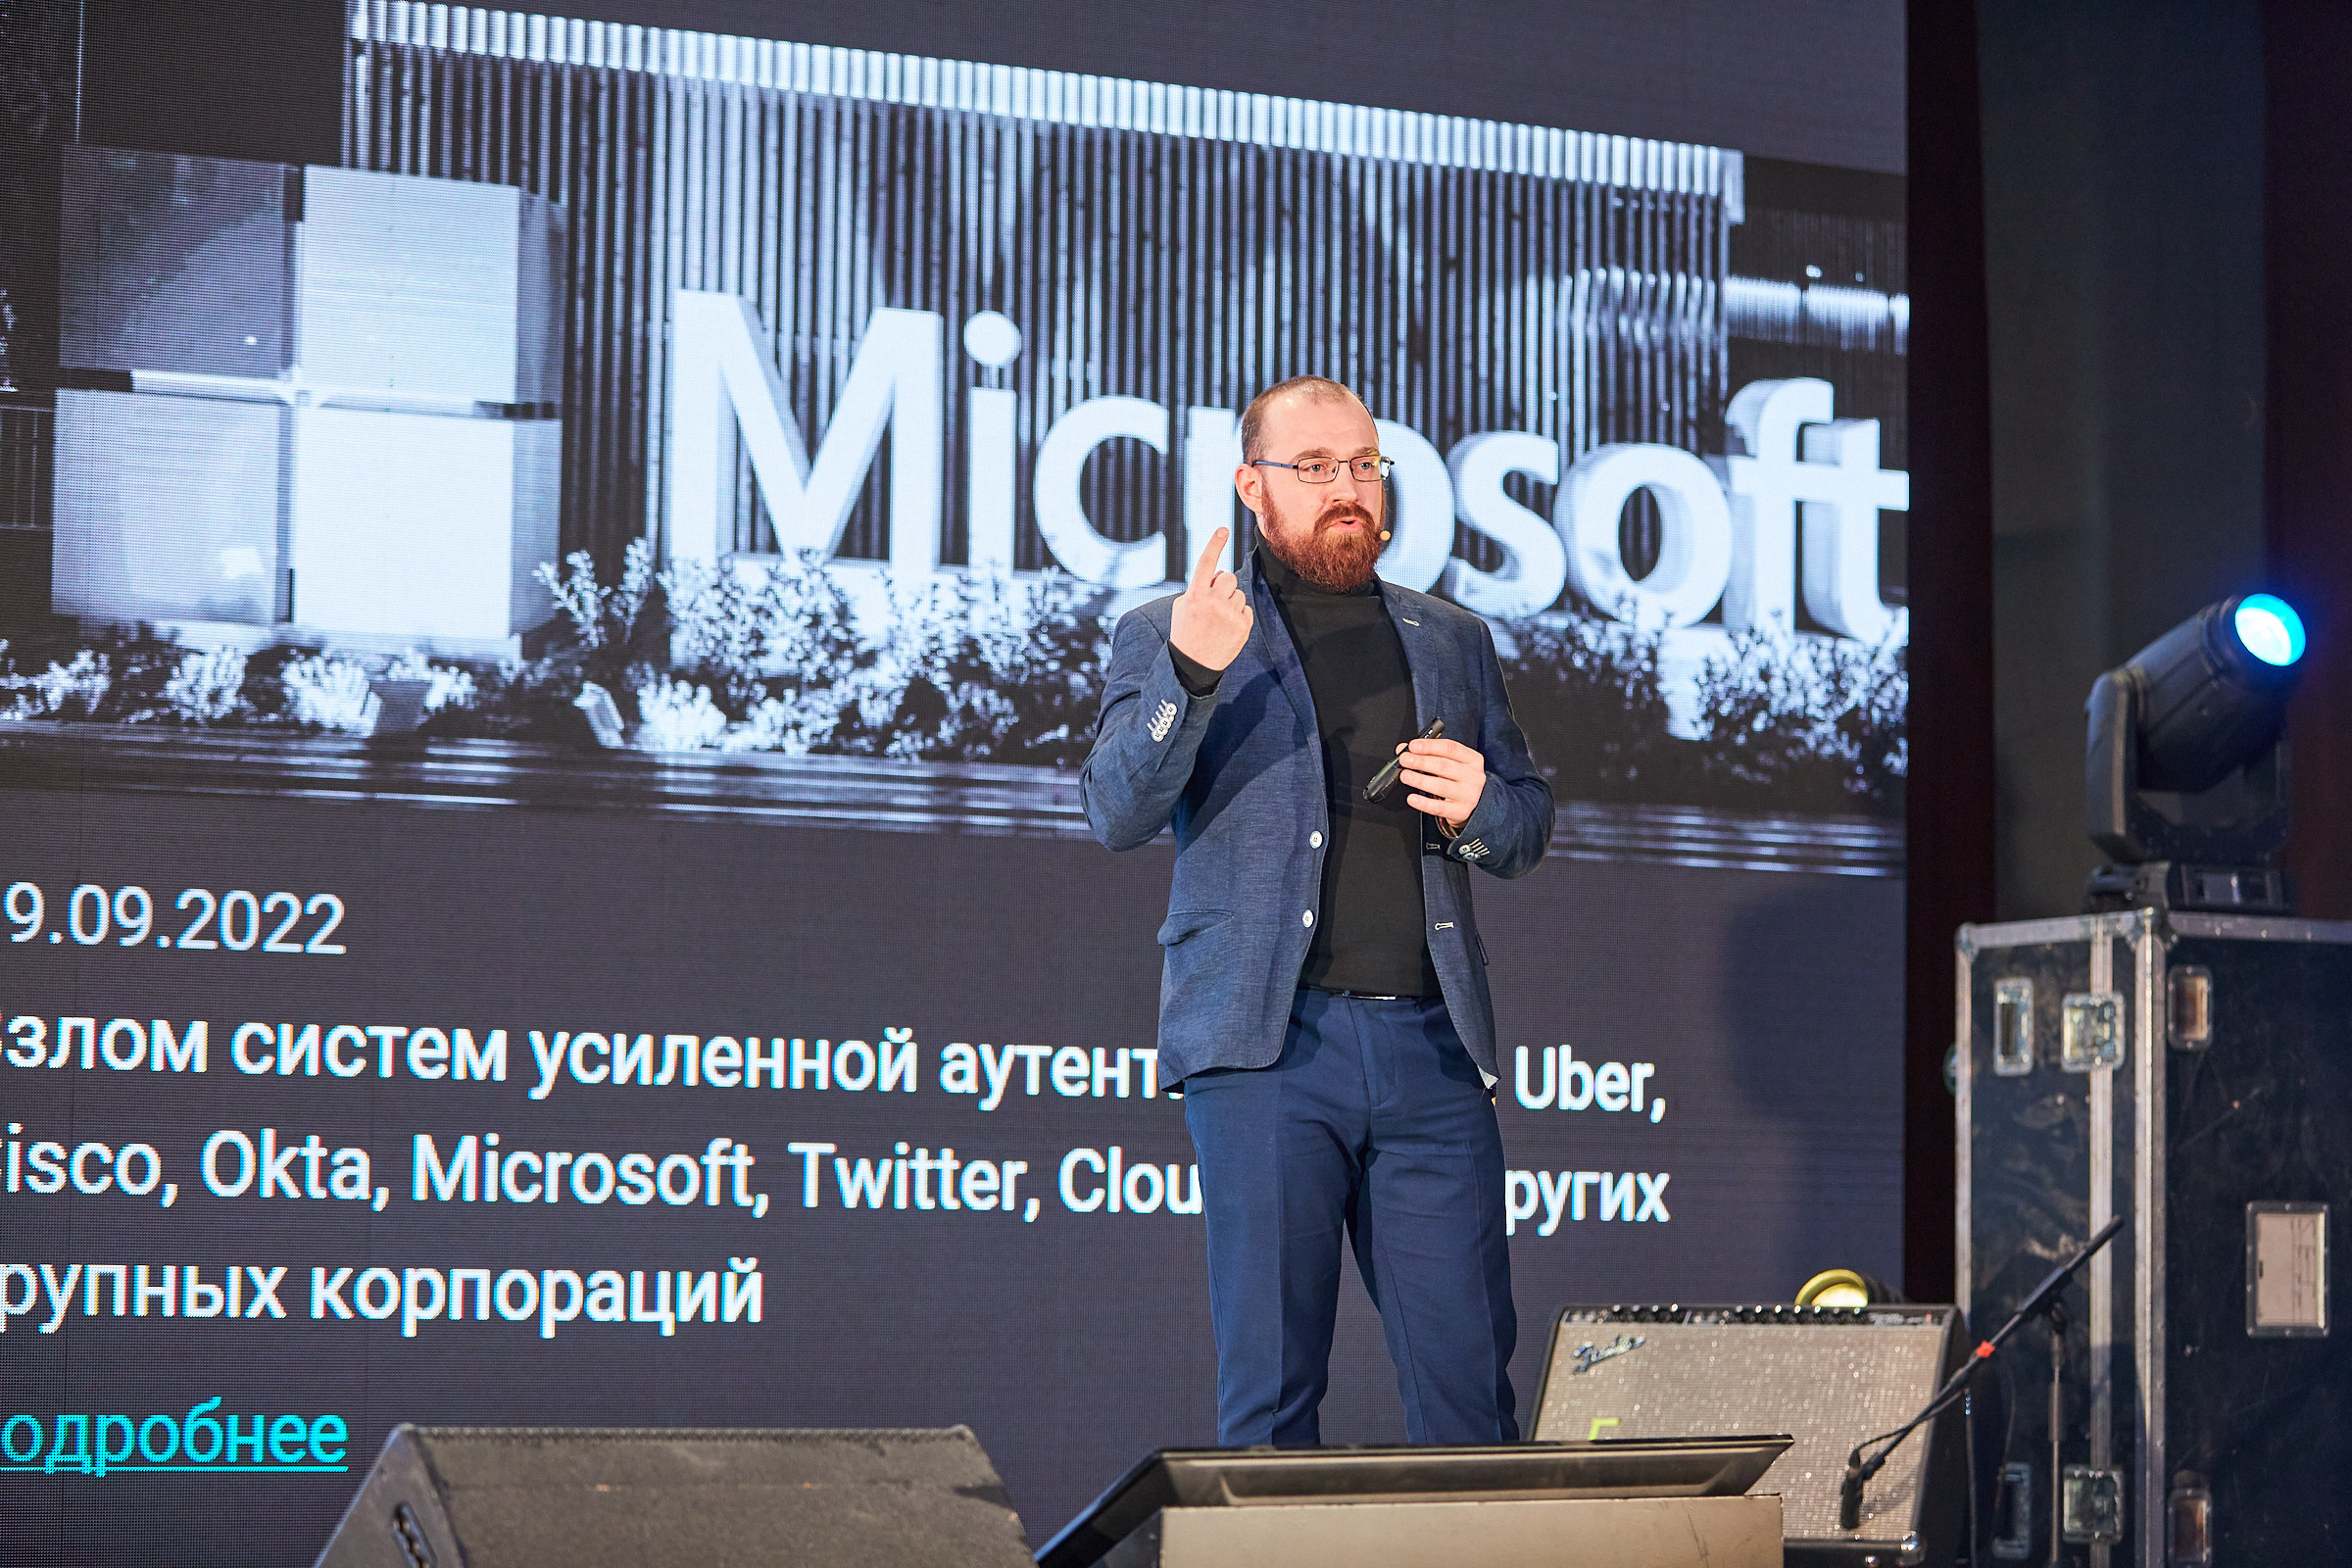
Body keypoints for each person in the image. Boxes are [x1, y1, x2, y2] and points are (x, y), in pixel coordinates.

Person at [1080, 374, 1555, 1447]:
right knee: (1272, 1400)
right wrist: (1191, 678)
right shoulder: (1175, 628)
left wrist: (1485, 805)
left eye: (1364, 467)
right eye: (1317, 468)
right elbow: (1116, 808)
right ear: (1254, 486)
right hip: (1266, 1051)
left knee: (1473, 1401)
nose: (1350, 490)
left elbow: (1525, 822)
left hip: (1432, 1050)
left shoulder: (1451, 639)